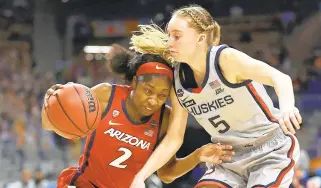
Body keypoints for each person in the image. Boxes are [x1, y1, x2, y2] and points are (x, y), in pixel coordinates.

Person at [129, 4, 302, 188]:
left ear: (200, 38)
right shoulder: (178, 81)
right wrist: (141, 177)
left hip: (269, 150)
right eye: (169, 36)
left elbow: (279, 78)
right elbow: (174, 138)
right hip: (227, 156)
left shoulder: (225, 59)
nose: (170, 42)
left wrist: (287, 108)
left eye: (177, 36)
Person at [41, 44, 233, 188]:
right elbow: (50, 125)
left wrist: (198, 156)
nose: (153, 101)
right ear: (134, 82)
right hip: (84, 183)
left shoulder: (164, 119)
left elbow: (166, 174)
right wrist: (52, 106)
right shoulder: (106, 95)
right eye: (148, 91)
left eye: (161, 96)